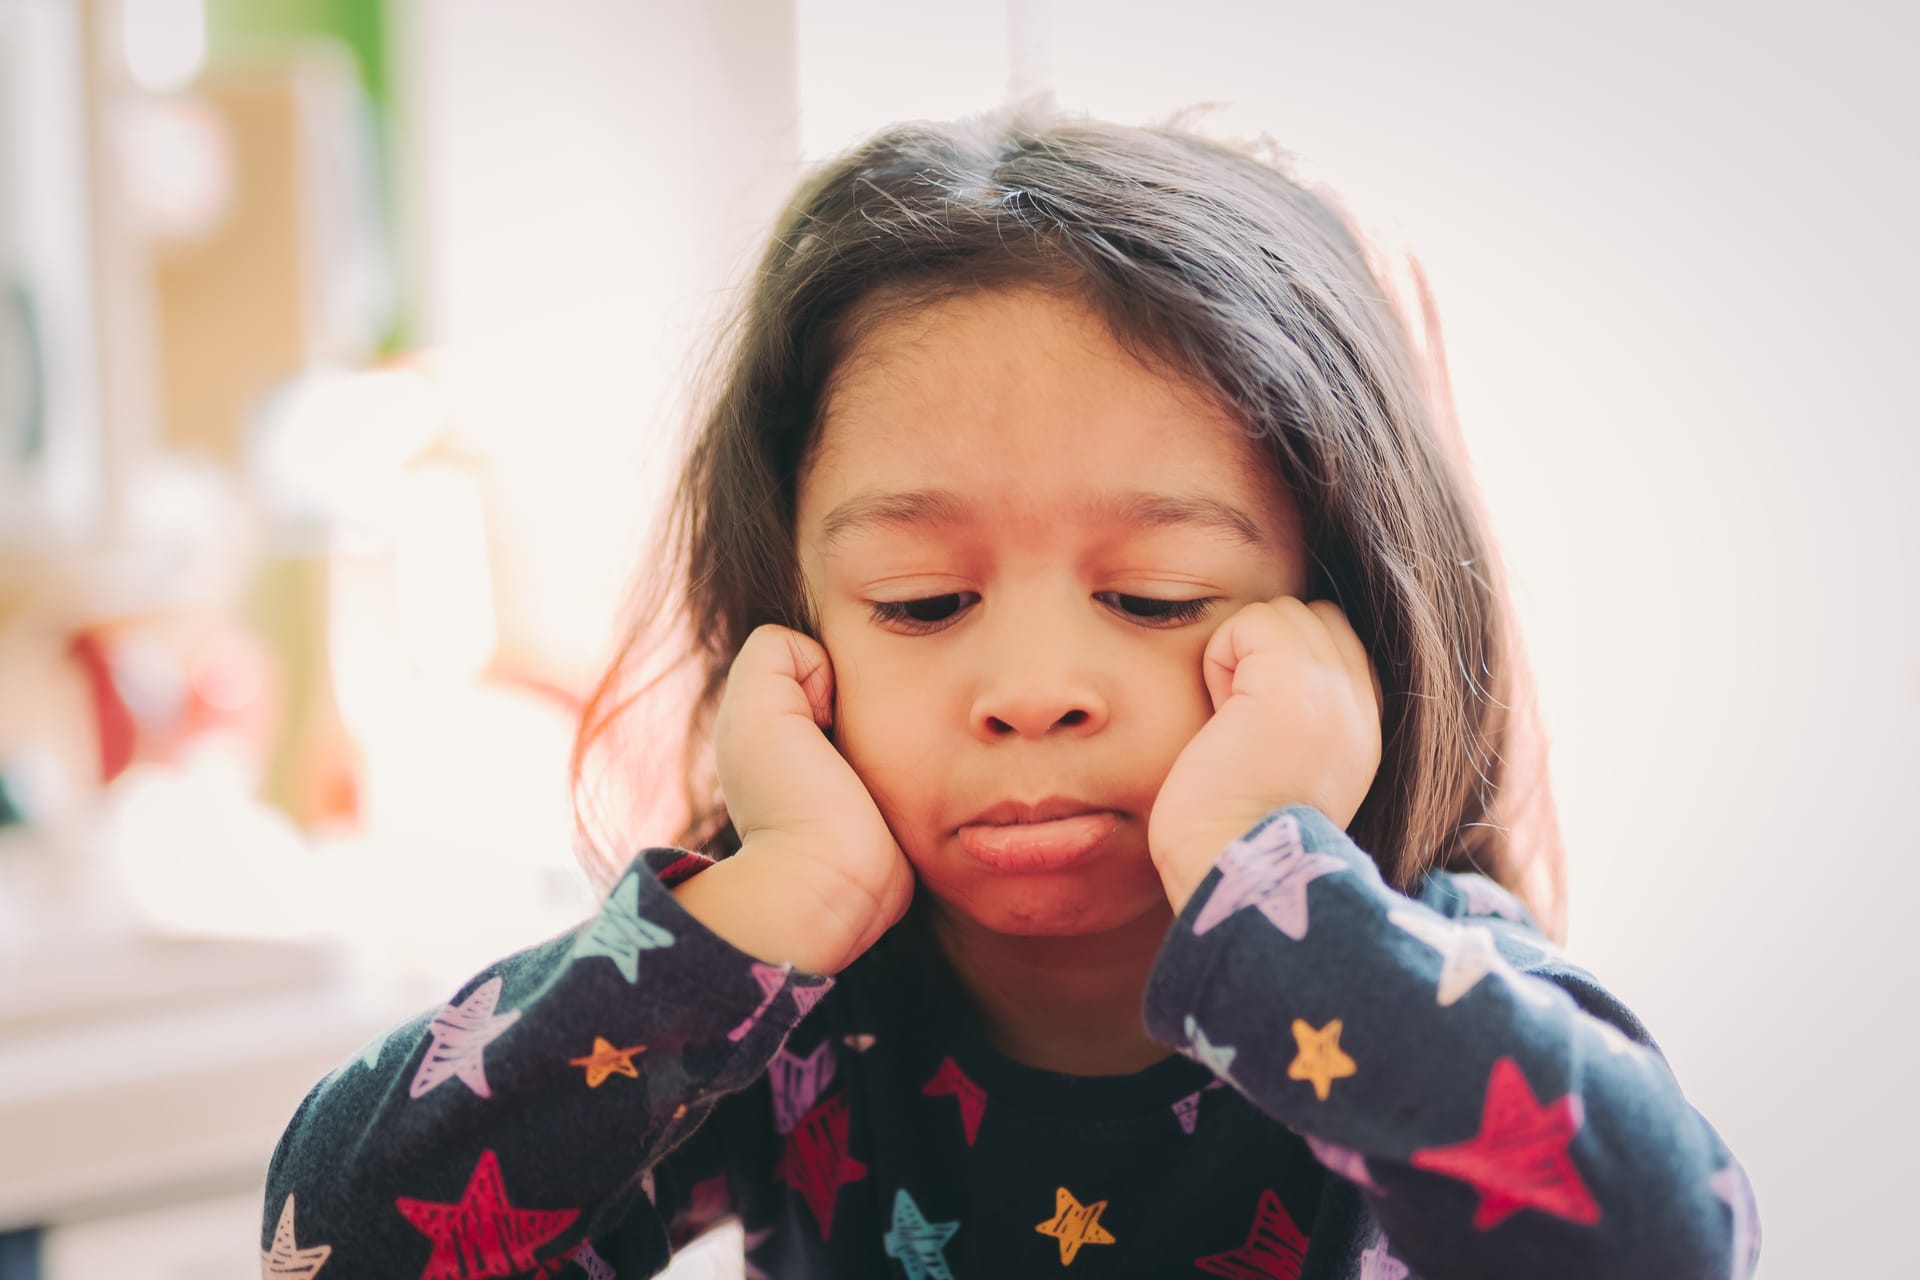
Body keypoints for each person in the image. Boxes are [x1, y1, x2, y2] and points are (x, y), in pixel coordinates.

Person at [260, 110, 1759, 1279]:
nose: (1033, 692)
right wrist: (761, 912)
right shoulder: (784, 1020)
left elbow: (1662, 1247)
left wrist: (1262, 859)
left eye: (1155, 599)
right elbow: (340, 1237)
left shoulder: (1402, 979)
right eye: (924, 604)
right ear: (796, 639)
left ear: (1343, 625)